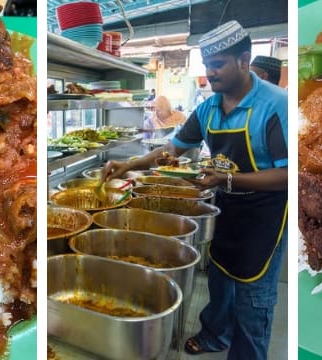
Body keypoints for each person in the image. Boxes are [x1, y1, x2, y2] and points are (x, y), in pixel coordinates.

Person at [102, 20, 288, 360]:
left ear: (244, 61)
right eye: (206, 64)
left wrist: (227, 180)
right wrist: (128, 166)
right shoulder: (208, 108)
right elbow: (172, 151)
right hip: (225, 208)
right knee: (220, 278)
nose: (210, 73)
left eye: (217, 64)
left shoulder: (275, 105)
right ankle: (216, 336)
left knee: (253, 297)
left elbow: (288, 174)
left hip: (265, 215)